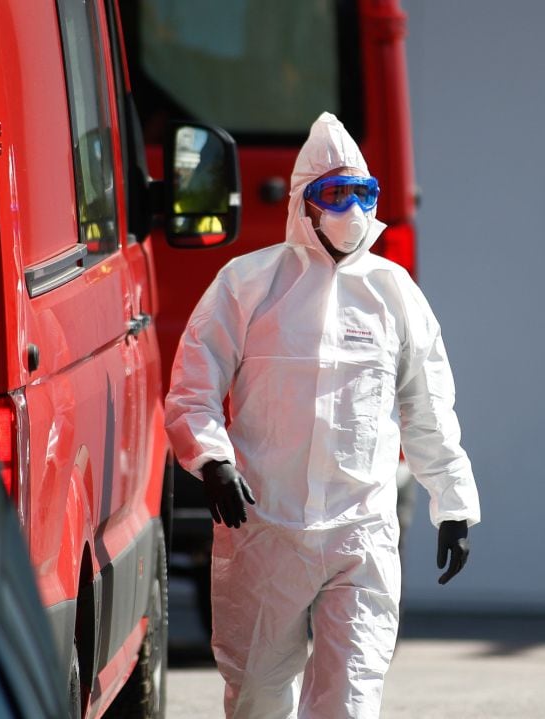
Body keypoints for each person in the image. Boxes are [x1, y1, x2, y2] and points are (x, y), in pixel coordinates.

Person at [164, 112, 480, 719]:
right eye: (334, 194)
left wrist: (454, 501)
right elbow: (193, 386)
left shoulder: (394, 292)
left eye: (363, 194)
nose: (351, 209)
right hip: (264, 526)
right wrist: (213, 459)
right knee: (257, 694)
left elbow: (428, 405)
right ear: (303, 203)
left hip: (360, 530)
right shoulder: (249, 284)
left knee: (351, 698)